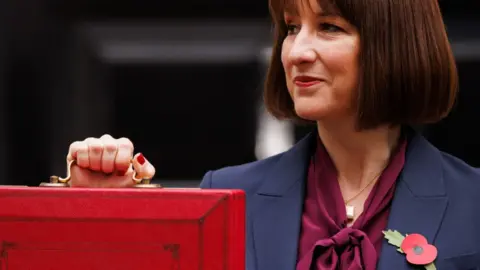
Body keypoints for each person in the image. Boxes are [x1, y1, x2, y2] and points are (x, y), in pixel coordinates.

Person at [65, 0, 480, 269]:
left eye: (329, 27)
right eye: (291, 27)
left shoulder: (473, 202)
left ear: (396, 44)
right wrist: (102, 212)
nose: (296, 51)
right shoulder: (227, 196)